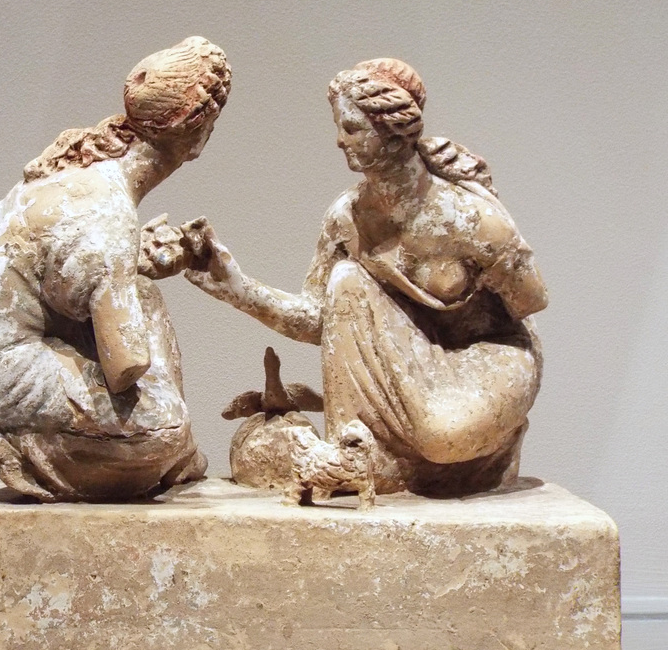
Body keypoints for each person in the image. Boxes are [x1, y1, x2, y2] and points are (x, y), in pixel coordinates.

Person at [185, 57, 547, 497]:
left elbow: (529, 302)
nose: (339, 141)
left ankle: (489, 448)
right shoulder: (347, 217)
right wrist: (237, 289)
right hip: (410, 363)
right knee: (347, 281)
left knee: (442, 435)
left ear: (394, 130)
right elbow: (319, 320)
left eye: (352, 128)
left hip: (484, 359)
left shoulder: (469, 217)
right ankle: (361, 449)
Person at [0, 37, 231, 501]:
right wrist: (127, 284)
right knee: (166, 426)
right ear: (199, 135)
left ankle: (161, 454)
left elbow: (55, 270)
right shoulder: (108, 213)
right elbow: (125, 369)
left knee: (140, 291)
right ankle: (32, 449)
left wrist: (137, 266)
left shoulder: (83, 170)